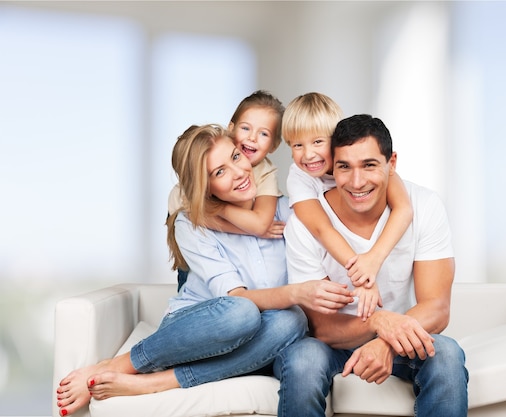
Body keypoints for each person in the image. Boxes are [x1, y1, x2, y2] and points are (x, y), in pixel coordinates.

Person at [55, 124, 354, 417]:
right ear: (205, 185)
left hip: (266, 337)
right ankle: (116, 366)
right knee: (242, 312)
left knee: (292, 321)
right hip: (201, 328)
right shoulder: (192, 224)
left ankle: (158, 382)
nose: (238, 173)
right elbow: (238, 298)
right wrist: (296, 292)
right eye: (219, 172)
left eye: (236, 157)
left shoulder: (288, 210)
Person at [274, 114, 469, 417]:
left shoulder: (424, 205)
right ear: (331, 166)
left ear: (391, 163)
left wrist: (387, 343)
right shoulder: (304, 224)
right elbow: (322, 328)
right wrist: (377, 322)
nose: (357, 181)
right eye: (344, 167)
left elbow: (437, 308)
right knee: (303, 359)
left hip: (400, 337)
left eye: (369, 165)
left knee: (445, 354)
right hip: (333, 344)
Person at [281, 92, 413, 319]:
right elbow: (322, 228)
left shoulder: (368, 163)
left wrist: (373, 259)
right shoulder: (299, 178)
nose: (308, 154)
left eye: (318, 142)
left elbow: (404, 209)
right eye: (297, 145)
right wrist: (362, 276)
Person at [169, 90, 286, 290]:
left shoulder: (265, 173)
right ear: (231, 129)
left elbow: (260, 224)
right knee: (191, 278)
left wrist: (217, 209)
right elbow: (188, 216)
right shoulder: (193, 179)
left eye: (264, 133)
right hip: (196, 250)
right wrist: (219, 211)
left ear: (274, 145)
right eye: (246, 128)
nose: (252, 138)